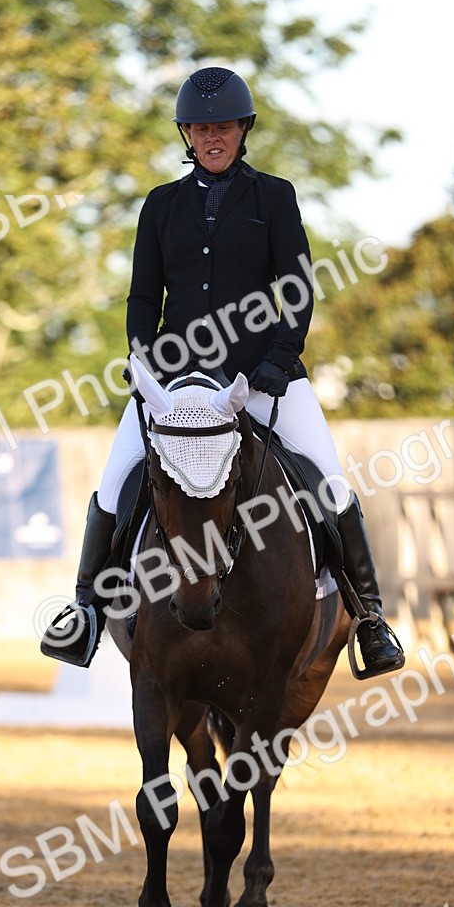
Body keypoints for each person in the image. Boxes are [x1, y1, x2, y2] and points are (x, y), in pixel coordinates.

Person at [42, 66, 404, 678]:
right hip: (177, 387)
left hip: (260, 379)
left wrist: (277, 363)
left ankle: (369, 618)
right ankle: (85, 613)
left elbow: (298, 290)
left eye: (225, 127)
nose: (214, 137)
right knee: (113, 485)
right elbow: (142, 298)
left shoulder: (274, 197)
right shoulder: (160, 206)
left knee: (332, 484)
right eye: (202, 127)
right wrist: (142, 358)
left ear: (243, 130)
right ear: (187, 133)